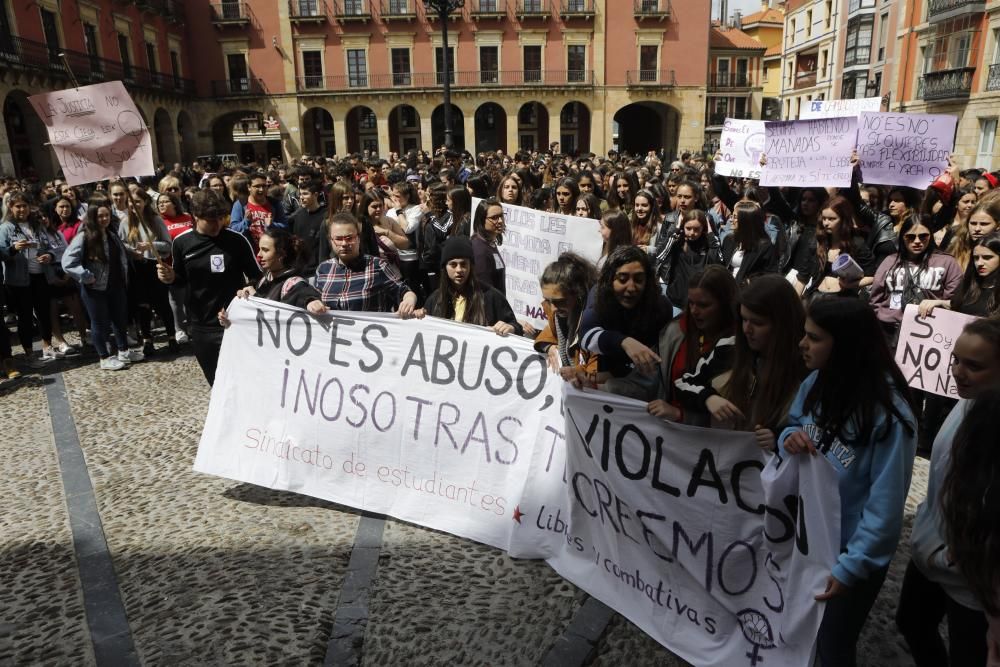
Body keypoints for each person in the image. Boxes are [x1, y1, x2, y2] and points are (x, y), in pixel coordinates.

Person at [780, 297, 918, 667]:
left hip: (847, 557)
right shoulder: (815, 382)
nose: (801, 344)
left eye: (813, 337)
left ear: (845, 344)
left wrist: (851, 566)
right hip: (809, 540)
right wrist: (787, 440)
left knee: (833, 646)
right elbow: (793, 425)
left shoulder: (890, 415)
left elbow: (885, 507)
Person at [897, 318, 1000, 667]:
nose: (958, 372)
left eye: (974, 366)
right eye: (955, 359)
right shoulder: (968, 401)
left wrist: (966, 551)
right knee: (911, 623)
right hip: (932, 552)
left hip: (971, 578)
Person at [157, 190, 263, 385]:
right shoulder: (182, 242)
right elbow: (179, 279)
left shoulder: (236, 240)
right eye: (210, 220)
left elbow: (258, 277)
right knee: (216, 383)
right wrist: (170, 277)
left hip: (235, 323)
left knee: (244, 382)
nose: (216, 225)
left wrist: (249, 288)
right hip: (201, 325)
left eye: (220, 219)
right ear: (195, 216)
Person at [713, 274, 806, 448]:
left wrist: (780, 438)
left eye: (757, 322)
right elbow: (688, 381)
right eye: (744, 319)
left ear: (782, 325)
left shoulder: (805, 368)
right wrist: (707, 398)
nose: (747, 329)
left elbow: (811, 431)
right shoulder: (730, 349)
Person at [580, 245, 673, 397]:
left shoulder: (661, 307)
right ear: (609, 280)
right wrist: (623, 342)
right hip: (606, 376)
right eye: (622, 279)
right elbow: (586, 335)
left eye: (638, 280)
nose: (631, 288)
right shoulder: (599, 295)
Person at [62, 200, 138, 370]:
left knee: (120, 319)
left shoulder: (111, 234)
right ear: (92, 217)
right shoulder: (84, 236)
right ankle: (104, 357)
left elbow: (119, 252)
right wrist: (86, 276)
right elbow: (68, 262)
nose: (104, 219)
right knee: (99, 323)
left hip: (116, 284)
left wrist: (134, 252)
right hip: (95, 289)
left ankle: (124, 351)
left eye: (107, 215)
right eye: (100, 216)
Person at [870, 216, 963, 346]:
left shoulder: (947, 262)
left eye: (923, 236)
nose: (917, 241)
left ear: (930, 236)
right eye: (911, 237)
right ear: (902, 237)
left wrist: (939, 303)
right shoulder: (890, 261)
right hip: (890, 330)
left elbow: (955, 301)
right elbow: (876, 297)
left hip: (929, 330)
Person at [312, 212, 416, 316]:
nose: (344, 244)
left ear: (358, 238)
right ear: (331, 240)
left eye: (349, 238)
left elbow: (404, 291)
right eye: (338, 239)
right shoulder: (323, 269)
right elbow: (314, 299)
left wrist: (409, 300)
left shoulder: (377, 265)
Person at [219, 227, 324, 327]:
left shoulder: (293, 285)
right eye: (259, 249)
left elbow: (306, 296)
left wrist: (312, 302)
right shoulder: (262, 281)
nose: (259, 255)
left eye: (265, 250)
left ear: (281, 255)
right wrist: (231, 316)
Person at [417, 236, 521, 336]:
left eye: (463, 264)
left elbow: (516, 328)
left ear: (471, 266)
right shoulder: (435, 300)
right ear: (445, 267)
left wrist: (510, 327)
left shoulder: (491, 296)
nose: (459, 270)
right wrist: (418, 316)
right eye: (453, 265)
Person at [0, 192, 60, 366]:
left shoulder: (37, 225)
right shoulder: (5, 228)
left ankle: (47, 346)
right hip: (18, 280)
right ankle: (29, 353)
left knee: (44, 313)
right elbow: (2, 253)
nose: (21, 209)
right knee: (25, 317)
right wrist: (13, 249)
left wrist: (48, 255)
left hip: (40, 275)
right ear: (11, 208)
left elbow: (49, 247)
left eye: (24, 205)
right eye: (17, 206)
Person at [120, 188, 176, 356]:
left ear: (145, 203)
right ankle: (147, 339)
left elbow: (167, 244)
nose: (134, 205)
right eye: (131, 202)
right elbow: (121, 244)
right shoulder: (125, 222)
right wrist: (131, 251)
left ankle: (171, 337)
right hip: (137, 268)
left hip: (154, 265)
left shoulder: (155, 220)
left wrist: (151, 246)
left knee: (162, 303)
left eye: (137, 202)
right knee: (142, 305)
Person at [534, 252, 599, 386]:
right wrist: (550, 347)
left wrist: (579, 372)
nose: (553, 309)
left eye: (560, 301)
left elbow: (597, 367)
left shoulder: (595, 320)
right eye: (548, 301)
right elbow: (549, 334)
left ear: (578, 293)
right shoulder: (557, 310)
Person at [920, 232, 1000, 318]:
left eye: (987, 257)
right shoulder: (969, 284)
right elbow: (956, 305)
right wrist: (938, 302)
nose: (979, 263)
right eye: (976, 258)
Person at [656, 209, 723, 307]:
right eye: (688, 228)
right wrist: (675, 230)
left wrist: (710, 234)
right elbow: (660, 256)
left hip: (700, 300)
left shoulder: (708, 244)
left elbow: (718, 263)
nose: (692, 233)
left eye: (697, 229)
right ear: (683, 226)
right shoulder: (677, 242)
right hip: (676, 300)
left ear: (703, 229)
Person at [722, 200, 778, 284]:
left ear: (746, 220)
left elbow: (770, 276)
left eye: (735, 217)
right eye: (731, 216)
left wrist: (749, 281)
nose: (731, 220)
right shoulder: (729, 240)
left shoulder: (764, 247)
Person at [287, 179, 327, 276]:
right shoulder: (299, 215)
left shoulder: (325, 216)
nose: (301, 198)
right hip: (300, 269)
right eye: (300, 194)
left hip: (318, 270)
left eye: (305, 194)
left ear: (316, 195)